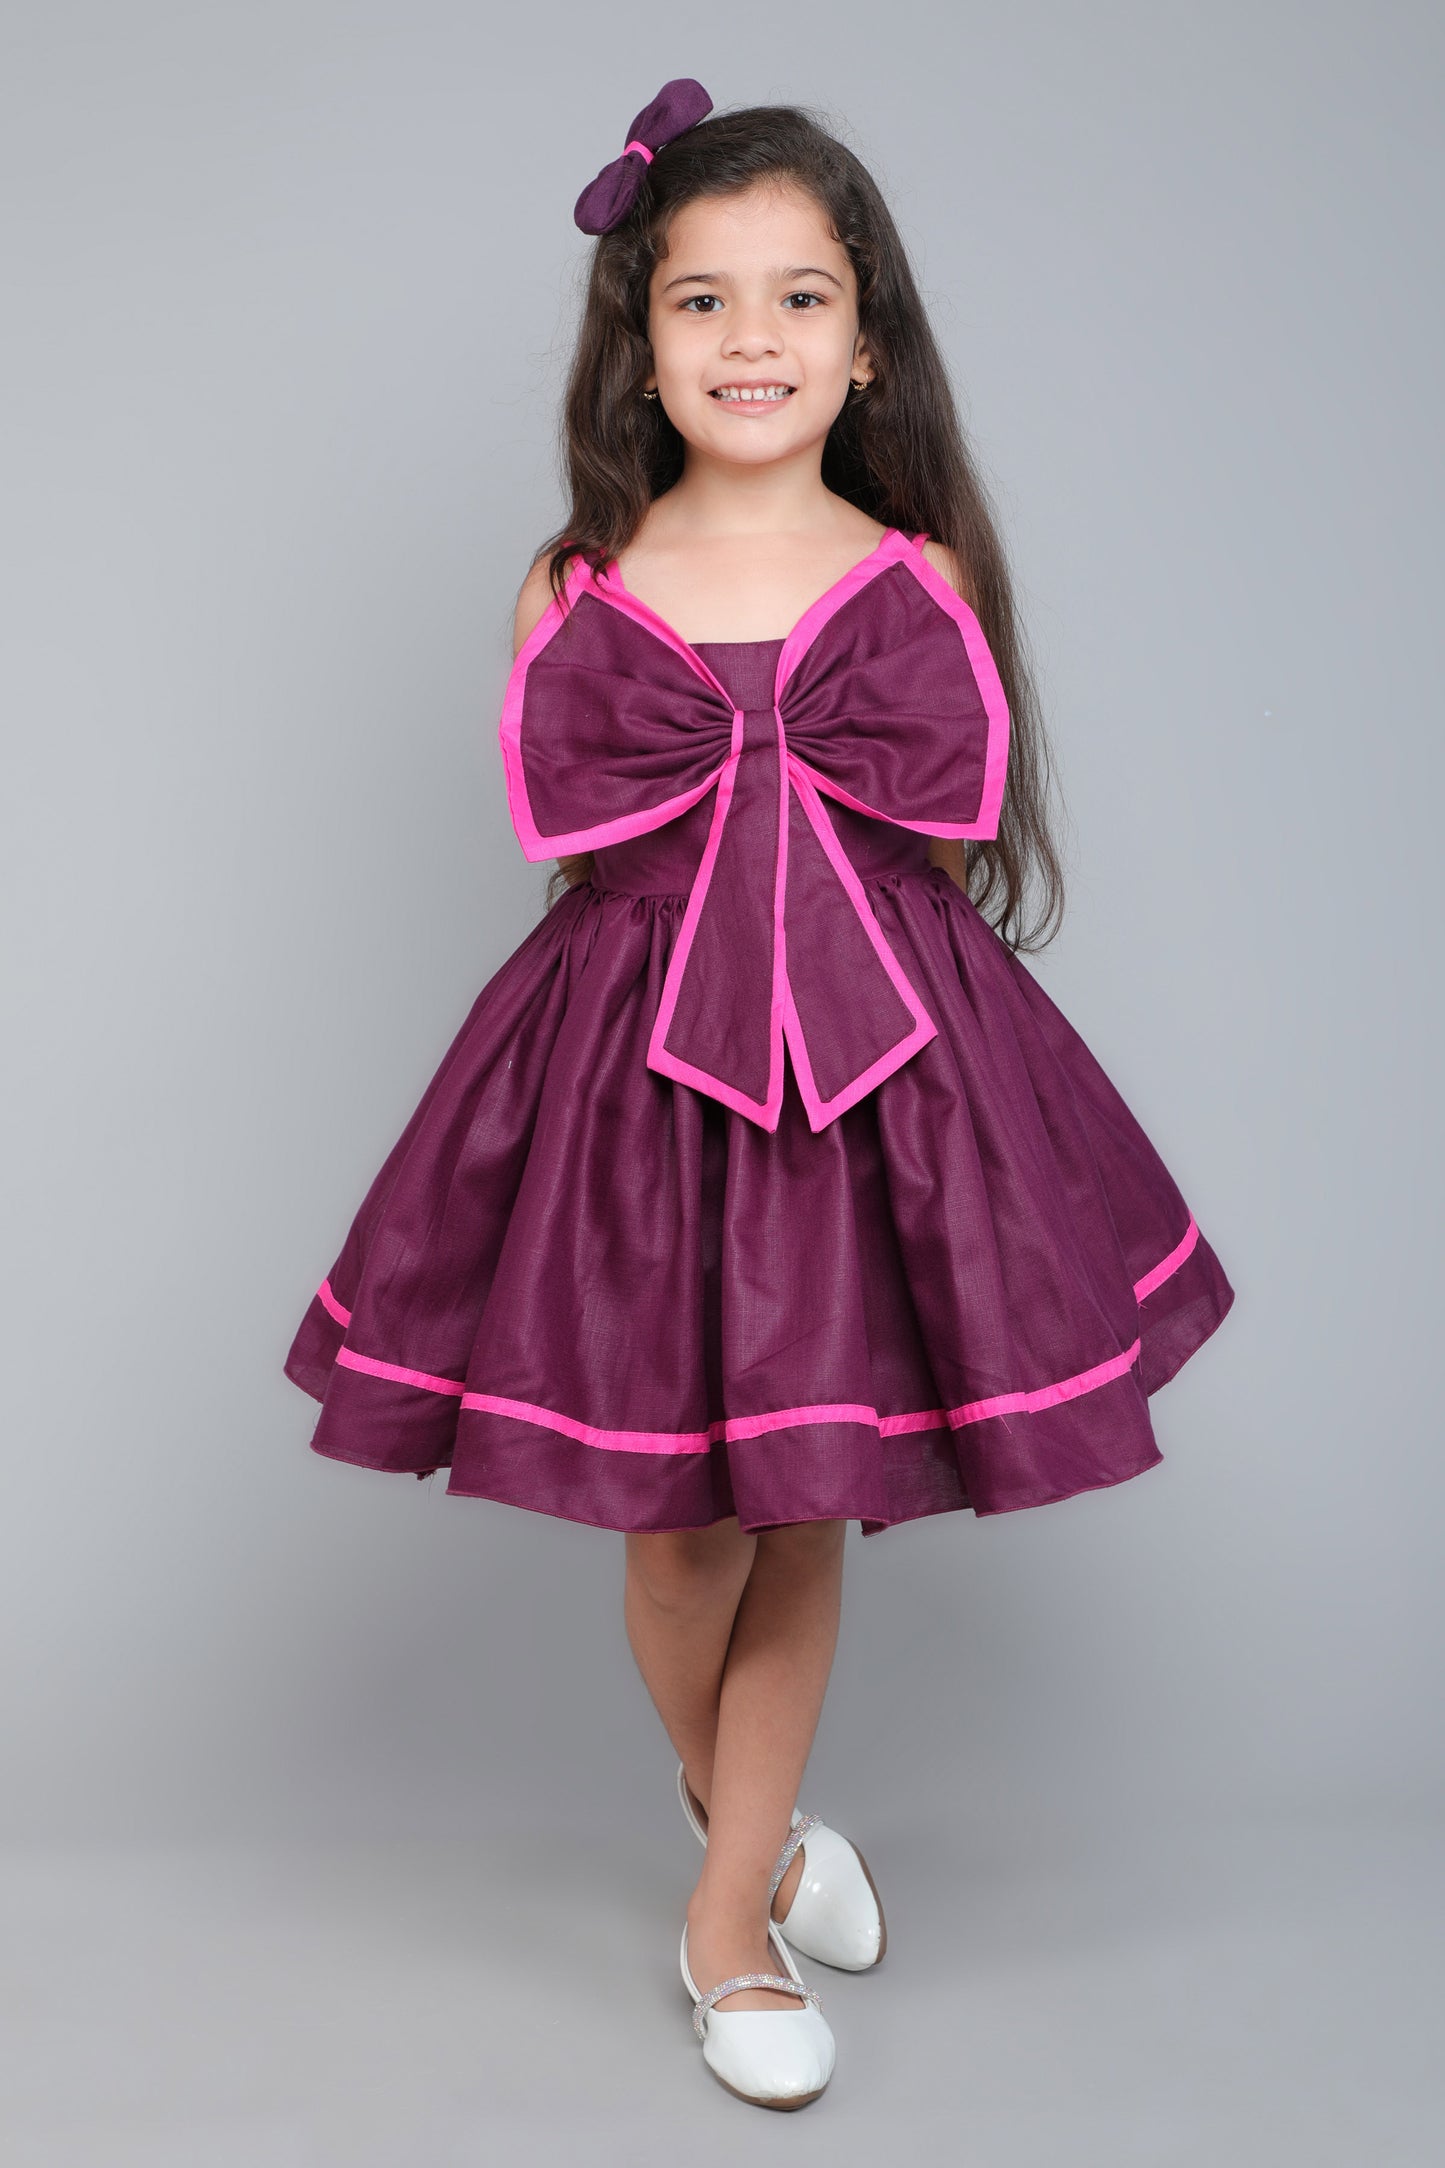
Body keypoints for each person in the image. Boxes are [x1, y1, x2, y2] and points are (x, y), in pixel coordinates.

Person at [283, 79, 1235, 2112]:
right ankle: (765, 1826)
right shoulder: (576, 584)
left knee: (805, 1497)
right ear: (639, 340)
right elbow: (593, 850)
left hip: (878, 1082)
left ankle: (726, 1921)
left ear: (867, 341)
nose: (752, 340)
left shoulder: (918, 577)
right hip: (629, 1092)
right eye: (702, 300)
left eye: (800, 297)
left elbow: (924, 856)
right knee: (676, 1533)